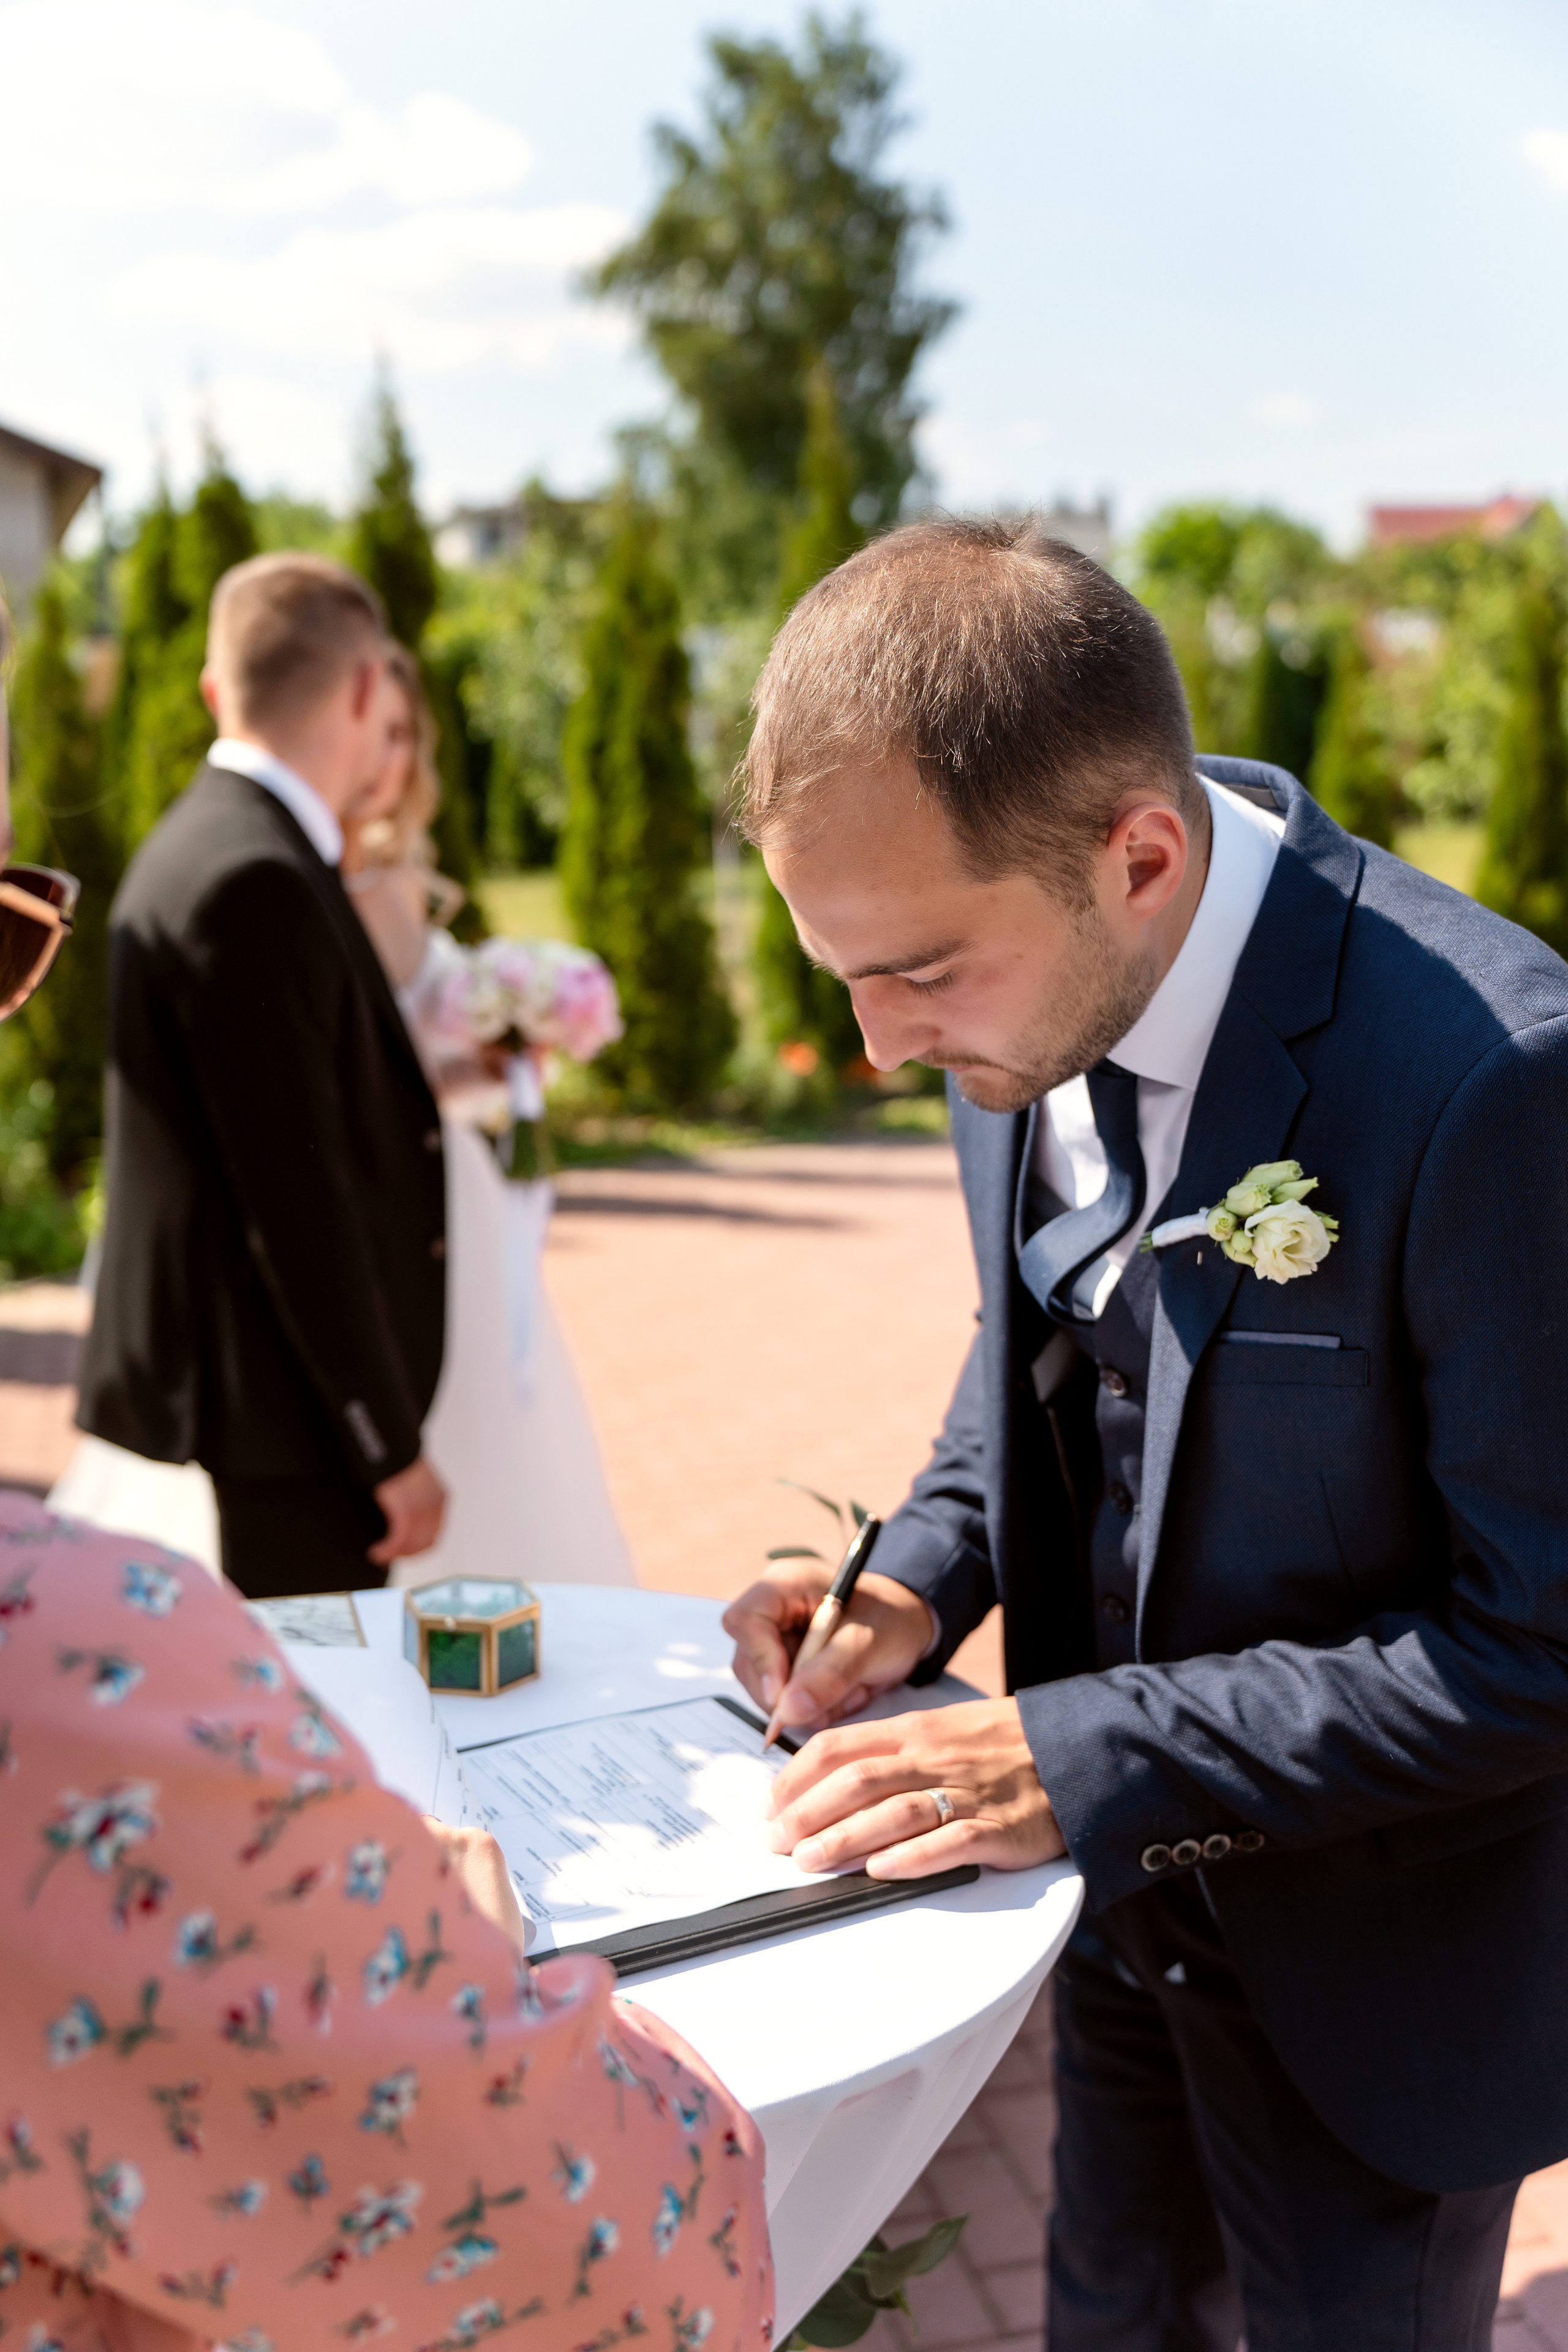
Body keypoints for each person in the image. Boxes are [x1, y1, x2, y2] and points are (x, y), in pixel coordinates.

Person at [723, 516, 1568, 2348]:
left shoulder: (1495, 1086)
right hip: (1105, 1905)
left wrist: (1085, 1751)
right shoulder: (1002, 1010)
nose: (876, 1047)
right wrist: (918, 1578)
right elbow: (1032, 1327)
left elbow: (1539, 1649)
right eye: (840, 974)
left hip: (1377, 1971)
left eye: (921, 973)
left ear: (1142, 854)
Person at [76, 554, 450, 1599]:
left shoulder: (211, 841)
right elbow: (297, 1199)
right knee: (320, 1715)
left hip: (266, 1399)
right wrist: (385, 1443)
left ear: (214, 690)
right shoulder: (254, 876)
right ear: (369, 688)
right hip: (286, 1413)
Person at [340, 649, 635, 1589]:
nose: (386, 758)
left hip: (453, 1195)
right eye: (372, 732)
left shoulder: (404, 874)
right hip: (368, 1194)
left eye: (401, 735)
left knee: (488, 1409)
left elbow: (431, 1076)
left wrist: (494, 1060)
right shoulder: (299, 881)